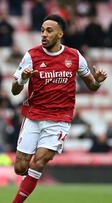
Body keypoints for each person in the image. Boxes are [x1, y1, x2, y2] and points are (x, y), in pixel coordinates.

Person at [10, 15, 107, 203]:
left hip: (59, 120)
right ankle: (28, 179)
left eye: (49, 30)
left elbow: (92, 86)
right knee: (20, 168)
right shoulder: (31, 56)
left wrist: (98, 82)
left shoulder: (74, 56)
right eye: (42, 30)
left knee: (39, 162)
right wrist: (22, 78)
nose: (44, 35)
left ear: (60, 34)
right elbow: (15, 91)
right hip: (33, 116)